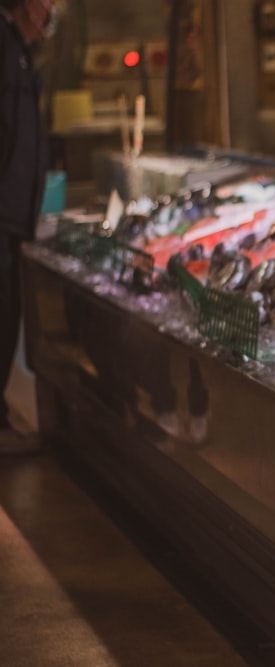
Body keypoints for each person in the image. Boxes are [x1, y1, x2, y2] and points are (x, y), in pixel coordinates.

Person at [0, 0, 52, 452]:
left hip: (12, 216)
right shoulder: (3, 46)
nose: (52, 7)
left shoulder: (15, 46)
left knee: (7, 313)